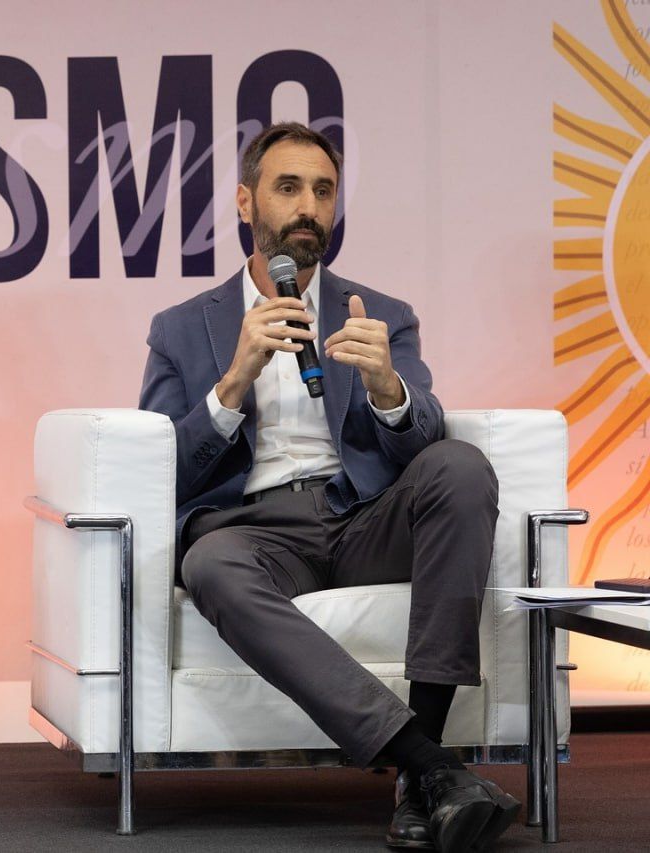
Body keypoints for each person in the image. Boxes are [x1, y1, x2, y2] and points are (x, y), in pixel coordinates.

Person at [138, 122, 518, 852]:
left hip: (362, 515)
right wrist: (232, 382)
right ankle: (431, 769)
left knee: (463, 467)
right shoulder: (182, 328)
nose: (309, 206)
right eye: (288, 188)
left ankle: (423, 764)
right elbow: (160, 470)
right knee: (208, 564)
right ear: (246, 203)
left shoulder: (381, 313)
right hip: (257, 532)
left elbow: (425, 436)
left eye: (323, 190)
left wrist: (388, 389)